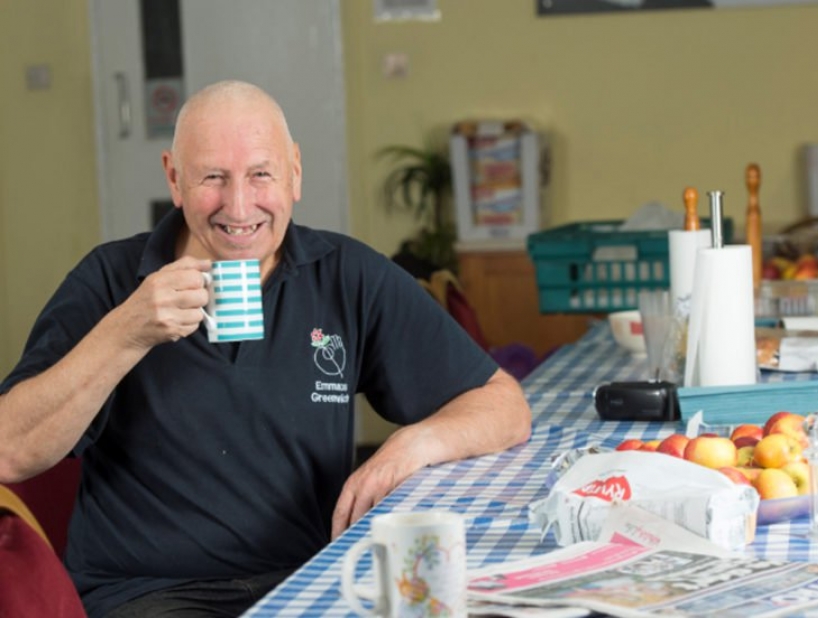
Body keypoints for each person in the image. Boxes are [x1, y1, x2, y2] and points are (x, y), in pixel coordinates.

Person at [0, 80, 532, 617]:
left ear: (295, 172)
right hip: (150, 594)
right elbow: (10, 451)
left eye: (260, 174)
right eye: (213, 177)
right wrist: (127, 331)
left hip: (313, 577)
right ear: (174, 178)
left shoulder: (346, 275)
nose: (238, 206)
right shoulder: (111, 282)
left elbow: (503, 405)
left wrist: (412, 445)